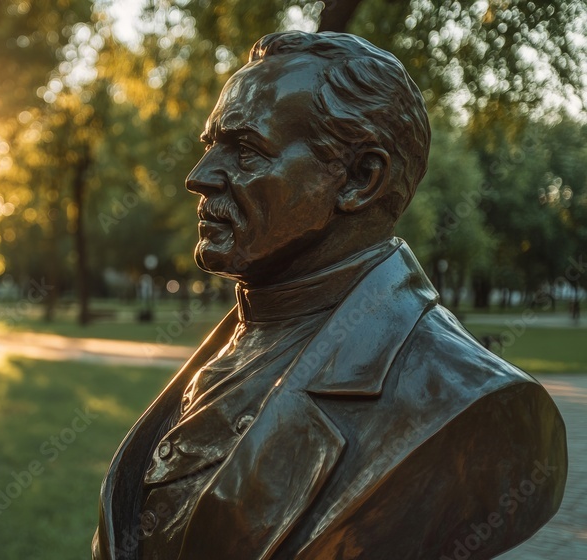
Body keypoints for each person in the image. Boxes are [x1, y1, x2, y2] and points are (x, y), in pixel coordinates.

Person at [93, 31, 567, 560]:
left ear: (361, 179)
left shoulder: (475, 402)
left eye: (246, 149)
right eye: (211, 145)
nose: (199, 177)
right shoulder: (243, 333)